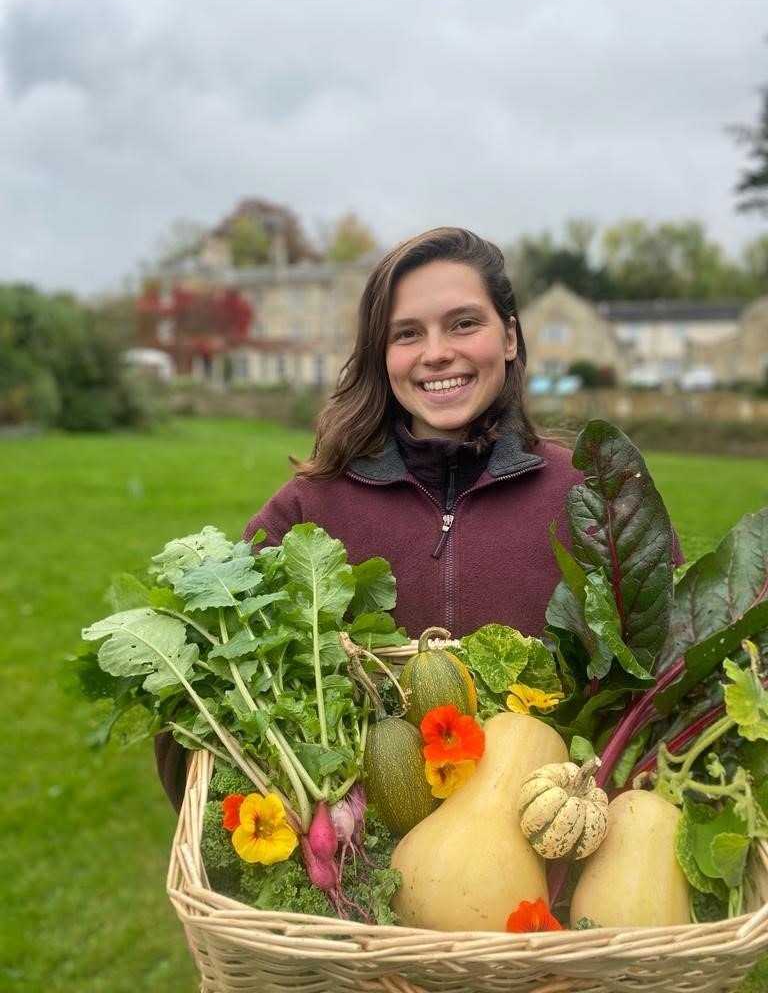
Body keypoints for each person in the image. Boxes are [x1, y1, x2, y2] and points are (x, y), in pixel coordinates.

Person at [155, 225, 584, 809]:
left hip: (546, 856)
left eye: (463, 323)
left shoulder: (586, 496)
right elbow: (199, 684)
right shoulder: (309, 509)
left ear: (508, 336)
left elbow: (668, 669)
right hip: (360, 867)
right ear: (383, 358)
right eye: (407, 333)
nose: (437, 352)